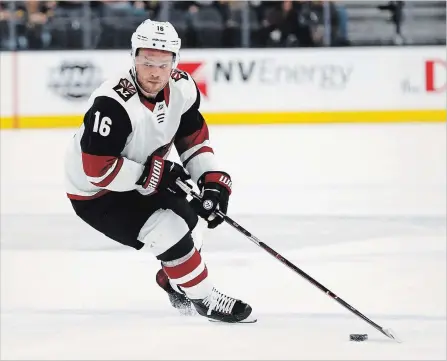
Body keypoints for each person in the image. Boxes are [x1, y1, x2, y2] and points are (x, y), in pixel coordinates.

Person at [64, 19, 254, 323]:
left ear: (174, 62)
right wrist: (157, 175)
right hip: (97, 194)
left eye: (163, 64)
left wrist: (211, 180)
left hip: (140, 177)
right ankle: (204, 300)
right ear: (134, 57)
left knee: (192, 225)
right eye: (146, 61)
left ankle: (173, 279)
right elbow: (97, 170)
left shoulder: (182, 88)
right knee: (169, 232)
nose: (154, 72)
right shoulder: (111, 104)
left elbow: (191, 137)